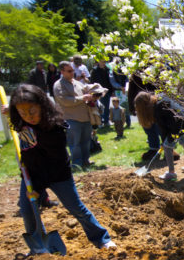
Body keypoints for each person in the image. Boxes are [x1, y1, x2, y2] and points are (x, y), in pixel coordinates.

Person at [8, 84, 115, 250]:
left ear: (42, 106)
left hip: (57, 173)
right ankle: (39, 247)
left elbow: (53, 162)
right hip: (31, 173)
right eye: (22, 112)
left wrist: (37, 187)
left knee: (76, 208)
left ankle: (102, 238)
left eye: (32, 111)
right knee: (27, 210)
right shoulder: (21, 123)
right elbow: (29, 153)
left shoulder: (54, 128)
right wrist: (30, 182)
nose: (28, 116)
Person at [133, 91, 184, 181]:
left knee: (167, 147)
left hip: (181, 125)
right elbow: (164, 128)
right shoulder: (157, 103)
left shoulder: (158, 108)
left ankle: (171, 173)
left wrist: (168, 140)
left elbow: (172, 125)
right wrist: (164, 140)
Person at [53, 61, 96, 168]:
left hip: (85, 118)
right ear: (62, 72)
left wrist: (94, 92)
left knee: (86, 142)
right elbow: (64, 101)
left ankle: (86, 160)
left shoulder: (77, 83)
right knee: (75, 143)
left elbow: (86, 90)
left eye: (73, 70)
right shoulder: (58, 85)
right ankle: (77, 164)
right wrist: (83, 98)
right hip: (71, 119)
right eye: (69, 71)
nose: (72, 73)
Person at [90, 59, 114, 127]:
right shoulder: (95, 70)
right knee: (100, 107)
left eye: (104, 62)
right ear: (99, 61)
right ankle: (100, 122)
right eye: (102, 61)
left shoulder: (107, 69)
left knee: (106, 106)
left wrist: (112, 90)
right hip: (99, 91)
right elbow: (92, 81)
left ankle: (106, 121)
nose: (103, 63)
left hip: (107, 90)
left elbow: (110, 80)